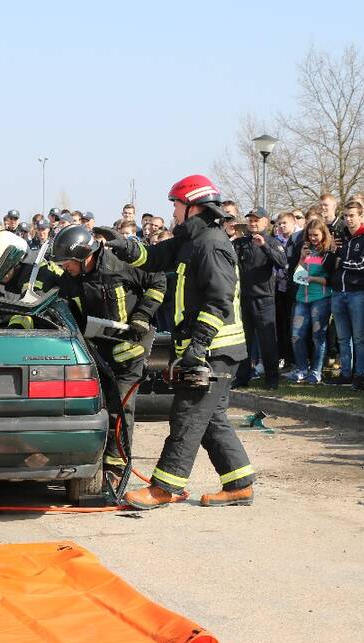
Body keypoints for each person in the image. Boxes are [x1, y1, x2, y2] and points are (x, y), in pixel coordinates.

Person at [105, 174, 254, 509]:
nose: (172, 210)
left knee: (187, 416)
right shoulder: (190, 240)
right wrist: (122, 244)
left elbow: (219, 301)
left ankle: (163, 488)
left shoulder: (211, 244)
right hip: (213, 349)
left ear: (193, 206)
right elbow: (154, 257)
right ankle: (239, 483)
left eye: (176, 204)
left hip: (214, 349)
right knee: (211, 418)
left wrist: (198, 348)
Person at [49, 224, 166, 477]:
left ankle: (116, 468)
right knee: (96, 408)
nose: (64, 267)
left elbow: (158, 281)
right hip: (99, 353)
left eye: (67, 262)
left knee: (121, 409)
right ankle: (96, 462)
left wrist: (142, 317)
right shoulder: (71, 278)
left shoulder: (118, 264)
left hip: (130, 351)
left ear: (83, 255)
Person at [232, 207, 286, 389]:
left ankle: (272, 379)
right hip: (244, 298)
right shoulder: (240, 242)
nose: (253, 223)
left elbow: (282, 263)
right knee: (243, 341)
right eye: (251, 220)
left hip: (264, 299)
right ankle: (242, 377)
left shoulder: (272, 241)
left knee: (267, 341)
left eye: (256, 220)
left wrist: (264, 245)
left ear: (265, 222)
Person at [328, 200, 364, 389]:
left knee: (359, 337)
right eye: (346, 216)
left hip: (358, 293)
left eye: (352, 215)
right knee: (342, 338)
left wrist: (341, 261)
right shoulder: (340, 238)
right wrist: (333, 252)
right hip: (338, 292)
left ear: (361, 216)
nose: (348, 219)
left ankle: (359, 373)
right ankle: (345, 373)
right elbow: (329, 263)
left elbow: (363, 266)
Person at [285, 219, 333, 384]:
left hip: (320, 298)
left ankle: (316, 371)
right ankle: (302, 369)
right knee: (296, 336)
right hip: (301, 298)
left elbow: (330, 280)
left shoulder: (328, 252)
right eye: (310, 235)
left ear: (323, 235)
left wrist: (312, 278)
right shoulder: (305, 250)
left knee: (317, 336)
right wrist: (302, 258)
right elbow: (297, 277)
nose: (313, 238)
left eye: (316, 235)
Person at [274, 212, 302, 373]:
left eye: (284, 223)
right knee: (282, 326)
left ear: (293, 223)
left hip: (297, 288)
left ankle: (297, 361)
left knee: (294, 327)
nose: (281, 226)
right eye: (279, 224)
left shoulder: (300, 239)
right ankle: (285, 358)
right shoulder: (276, 240)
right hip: (280, 289)